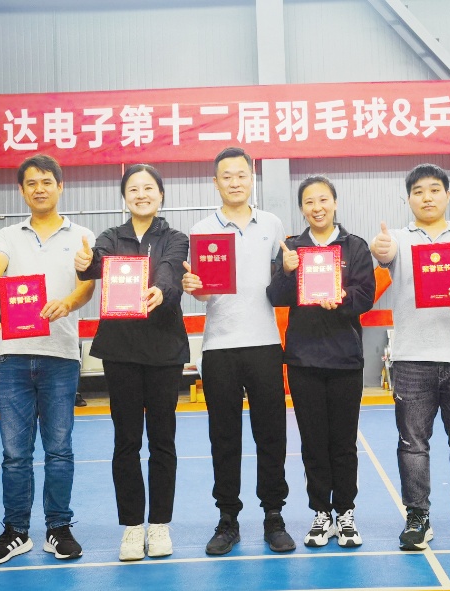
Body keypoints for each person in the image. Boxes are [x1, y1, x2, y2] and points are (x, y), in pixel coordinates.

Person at [370, 164, 450, 551]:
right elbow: (384, 253)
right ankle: (417, 516)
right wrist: (381, 249)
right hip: (412, 359)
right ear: (408, 199)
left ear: (447, 194)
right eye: (418, 192)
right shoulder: (397, 239)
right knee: (413, 443)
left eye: (434, 190)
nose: (427, 197)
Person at [0, 154, 96, 566]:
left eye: (46, 181)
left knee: (59, 450)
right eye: (31, 183)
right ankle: (16, 531)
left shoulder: (82, 235)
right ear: (22, 190)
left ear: (60, 186)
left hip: (61, 355)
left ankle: (59, 528)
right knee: (14, 453)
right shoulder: (7, 235)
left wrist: (68, 302)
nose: (39, 189)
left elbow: (86, 287)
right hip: (12, 357)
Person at [181, 147, 295, 555]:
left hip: (264, 343)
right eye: (226, 176)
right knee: (224, 437)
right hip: (219, 346)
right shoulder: (201, 229)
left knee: (272, 435)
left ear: (251, 179)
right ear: (215, 182)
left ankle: (273, 516)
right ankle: (227, 519)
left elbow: (280, 282)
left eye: (241, 175)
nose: (235, 182)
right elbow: (202, 291)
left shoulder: (272, 224)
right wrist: (194, 289)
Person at [74, 164, 189, 561]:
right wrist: (84, 262)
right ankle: (132, 526)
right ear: (125, 197)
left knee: (162, 440)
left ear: (161, 195)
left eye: (149, 188)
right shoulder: (110, 237)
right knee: (126, 440)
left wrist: (160, 290)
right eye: (134, 189)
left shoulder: (176, 238)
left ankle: (159, 525)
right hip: (120, 351)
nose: (141, 195)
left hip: (163, 349)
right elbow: (96, 264)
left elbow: (170, 270)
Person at [266, 176, 375, 548]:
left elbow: (366, 294)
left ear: (335, 203)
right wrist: (286, 270)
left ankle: (345, 513)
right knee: (312, 443)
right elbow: (276, 297)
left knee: (343, 443)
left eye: (323, 199)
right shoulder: (292, 247)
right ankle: (321, 513)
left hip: (345, 359)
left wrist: (341, 297)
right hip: (304, 360)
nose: (317, 207)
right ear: (302, 208)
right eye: (309, 201)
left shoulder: (355, 246)